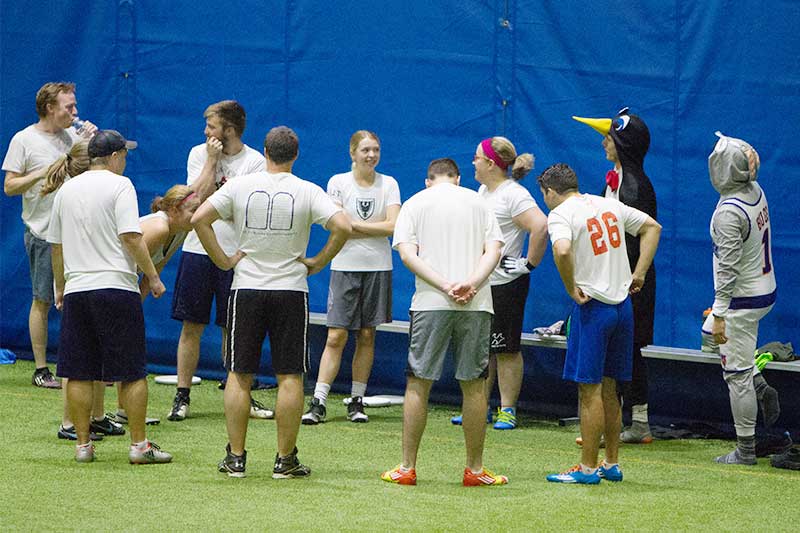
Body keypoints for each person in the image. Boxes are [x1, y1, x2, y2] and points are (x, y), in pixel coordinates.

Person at [192, 126, 351, 478]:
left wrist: (222, 259)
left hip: (246, 288)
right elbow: (343, 226)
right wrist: (318, 261)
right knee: (289, 376)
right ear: (295, 155)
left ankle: (236, 458)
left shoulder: (239, 185)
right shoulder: (308, 190)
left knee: (239, 373)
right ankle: (285, 459)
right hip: (291, 291)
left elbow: (198, 218)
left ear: (265, 151)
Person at [381, 158, 508, 487]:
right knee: (475, 386)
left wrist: (445, 286)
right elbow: (493, 251)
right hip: (477, 305)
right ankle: (475, 470)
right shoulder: (479, 202)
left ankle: (407, 468)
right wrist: (471, 283)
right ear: (458, 178)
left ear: (428, 181)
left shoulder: (414, 203)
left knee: (418, 384)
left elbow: (409, 255)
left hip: (430, 304)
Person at [47, 129, 172, 464]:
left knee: (78, 369)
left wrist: (60, 285)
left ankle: (83, 446)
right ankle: (139, 446)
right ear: (116, 156)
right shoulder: (121, 185)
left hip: (77, 288)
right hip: (116, 287)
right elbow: (131, 237)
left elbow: (56, 247)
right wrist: (154, 276)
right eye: (125, 155)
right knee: (131, 370)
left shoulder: (67, 190)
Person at [538, 163, 660, 484]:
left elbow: (562, 250)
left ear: (550, 192)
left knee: (588, 391)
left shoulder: (561, 214)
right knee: (610, 390)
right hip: (623, 308)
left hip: (594, 309)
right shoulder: (607, 203)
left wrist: (570, 288)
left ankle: (588, 468)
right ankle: (611, 463)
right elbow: (652, 228)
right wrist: (640, 272)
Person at [168, 100, 269, 422]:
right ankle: (182, 396)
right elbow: (192, 202)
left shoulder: (254, 162)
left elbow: (238, 207)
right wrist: (211, 163)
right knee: (191, 325)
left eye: (211, 126)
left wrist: (213, 202)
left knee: (234, 327)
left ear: (229, 129)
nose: (206, 132)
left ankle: (239, 394)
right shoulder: (199, 154)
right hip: (198, 250)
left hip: (236, 254)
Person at [302, 131, 401, 425]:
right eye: (365, 150)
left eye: (376, 149)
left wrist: (353, 225)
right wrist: (368, 226)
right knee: (336, 335)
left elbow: (393, 225)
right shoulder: (337, 182)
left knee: (368, 334)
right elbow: (336, 226)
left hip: (378, 267)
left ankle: (357, 400)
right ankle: (318, 401)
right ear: (352, 153)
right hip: (343, 266)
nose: (371, 155)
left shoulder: (390, 184)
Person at [2, 82, 96, 389]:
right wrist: (44, 172)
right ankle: (41, 368)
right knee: (43, 299)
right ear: (49, 108)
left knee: (80, 298)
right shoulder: (24, 140)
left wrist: (90, 146)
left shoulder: (72, 137)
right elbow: (10, 187)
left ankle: (82, 363)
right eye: (69, 107)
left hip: (77, 231)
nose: (75, 112)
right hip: (44, 232)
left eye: (74, 106)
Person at [451, 136, 548, 430]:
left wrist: (526, 264)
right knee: (483, 347)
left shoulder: (513, 195)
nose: (473, 162)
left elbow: (540, 226)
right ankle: (480, 405)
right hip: (484, 282)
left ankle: (508, 409)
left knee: (506, 348)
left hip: (506, 284)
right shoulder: (484, 191)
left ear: (491, 164)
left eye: (477, 158)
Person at [573, 108, 658, 443]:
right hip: (616, 278)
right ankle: (618, 421)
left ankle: (636, 421)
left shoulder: (635, 186)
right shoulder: (616, 180)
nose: (604, 143)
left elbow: (640, 238)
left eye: (609, 138)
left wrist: (633, 276)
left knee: (627, 350)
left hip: (630, 280)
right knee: (622, 349)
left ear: (623, 144)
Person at [38, 141, 126, 441]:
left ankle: (95, 417)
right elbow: (58, 247)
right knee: (77, 363)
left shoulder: (86, 193)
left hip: (83, 283)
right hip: (84, 283)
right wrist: (59, 286)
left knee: (89, 359)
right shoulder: (74, 195)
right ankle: (70, 422)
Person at [704, 132, 776, 465]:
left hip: (741, 301)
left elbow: (727, 269)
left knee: (735, 374)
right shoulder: (754, 191)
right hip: (763, 290)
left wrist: (719, 312)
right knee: (711, 341)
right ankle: (759, 384)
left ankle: (745, 450)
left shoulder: (727, 214)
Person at [110, 184, 203, 425]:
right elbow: (127, 263)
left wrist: (136, 305)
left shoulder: (180, 231)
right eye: (193, 209)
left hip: (125, 288)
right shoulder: (160, 227)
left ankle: (123, 410)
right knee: (111, 350)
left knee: (128, 347)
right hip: (111, 283)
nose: (198, 214)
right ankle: (96, 417)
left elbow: (155, 267)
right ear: (173, 209)